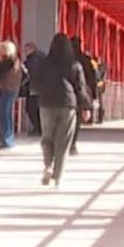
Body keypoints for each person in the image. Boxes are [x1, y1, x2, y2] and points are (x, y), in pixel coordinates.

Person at [30, 33, 91, 187]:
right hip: (67, 104)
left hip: (46, 103)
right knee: (63, 141)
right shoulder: (74, 64)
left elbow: (36, 83)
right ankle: (58, 176)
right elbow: (81, 88)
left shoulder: (44, 63)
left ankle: (47, 166)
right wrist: (85, 107)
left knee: (47, 137)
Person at [0, 42, 24, 148]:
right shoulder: (15, 62)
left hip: (7, 89)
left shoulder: (7, 62)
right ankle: (7, 138)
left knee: (3, 113)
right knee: (6, 114)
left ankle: (6, 139)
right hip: (11, 89)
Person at [20, 44, 46, 138]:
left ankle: (37, 128)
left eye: (26, 50)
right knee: (37, 108)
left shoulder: (31, 61)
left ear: (31, 49)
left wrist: (22, 83)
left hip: (33, 87)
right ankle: (40, 128)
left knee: (31, 108)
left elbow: (29, 74)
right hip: (42, 87)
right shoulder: (42, 58)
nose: (25, 52)